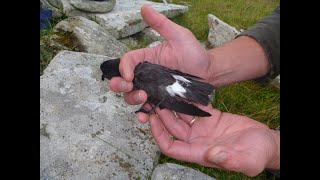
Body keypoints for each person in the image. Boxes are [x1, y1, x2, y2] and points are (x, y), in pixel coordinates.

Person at [108, 4, 280, 177]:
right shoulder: (141, 67)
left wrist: (276, 149)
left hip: (174, 87)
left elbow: (164, 91)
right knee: (159, 95)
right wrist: (210, 68)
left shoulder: (140, 74)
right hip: (177, 83)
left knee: (158, 97)